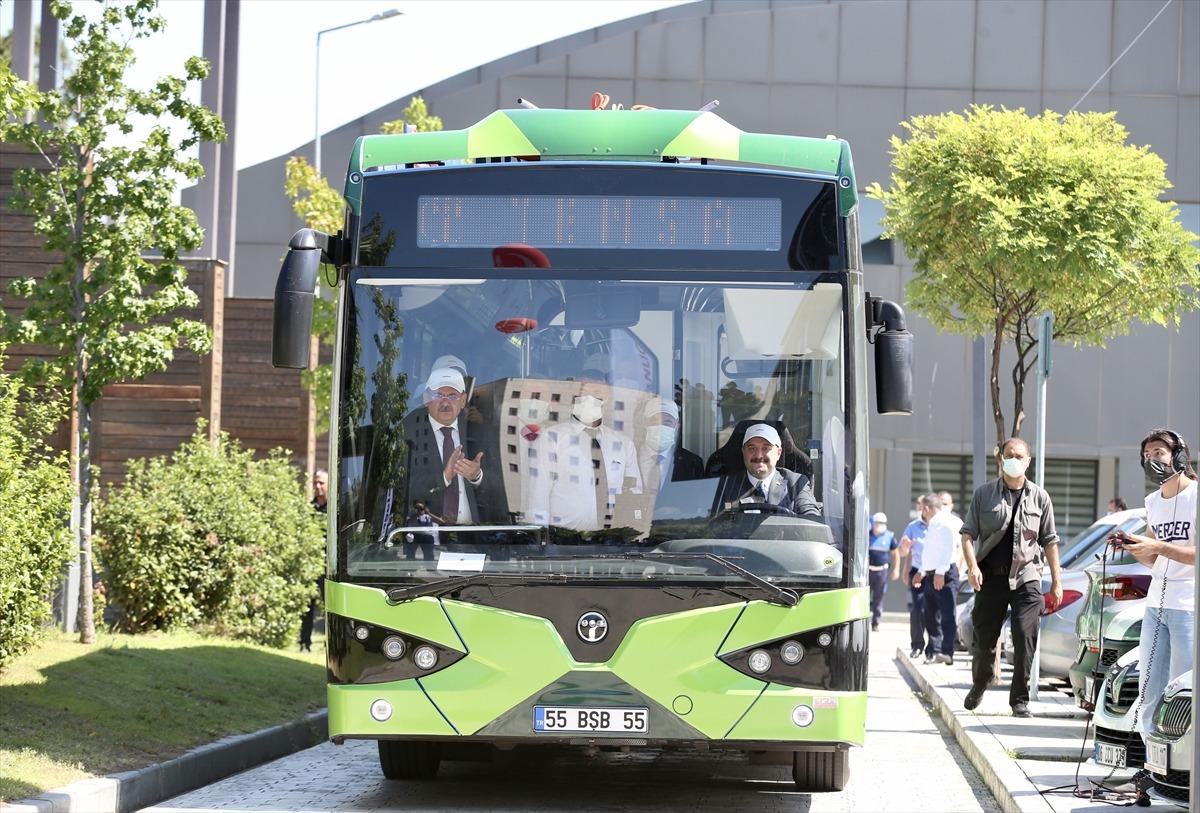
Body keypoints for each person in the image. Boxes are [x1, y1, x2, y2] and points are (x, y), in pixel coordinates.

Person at [1109, 429, 1196, 801]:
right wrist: (1132, 546)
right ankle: (1152, 770)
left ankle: (1186, 774)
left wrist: (1158, 545)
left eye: (1159, 451)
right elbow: (1153, 556)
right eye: (1146, 454)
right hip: (1156, 605)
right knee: (1150, 691)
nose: (1152, 459)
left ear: (1179, 456)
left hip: (1188, 606)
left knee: (1182, 694)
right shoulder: (1153, 501)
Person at [960, 437, 1062, 717]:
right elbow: (968, 535)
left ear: (1028, 461)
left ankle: (1019, 699)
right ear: (1000, 458)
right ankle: (980, 683)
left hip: (1027, 577)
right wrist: (972, 567)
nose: (1014, 459)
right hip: (990, 578)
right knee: (984, 640)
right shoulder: (984, 495)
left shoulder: (1041, 497)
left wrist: (1056, 581)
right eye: (1009, 455)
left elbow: (1050, 540)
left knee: (1025, 637)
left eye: (1019, 455)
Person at [526, 374, 644, 533]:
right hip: (563, 542)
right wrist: (541, 541)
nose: (589, 399)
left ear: (607, 399)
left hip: (613, 542)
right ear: (573, 397)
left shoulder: (623, 444)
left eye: (597, 393)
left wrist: (633, 534)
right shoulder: (551, 438)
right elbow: (538, 495)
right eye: (583, 392)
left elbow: (634, 494)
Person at [713, 423, 822, 520]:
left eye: (766, 448)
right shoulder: (724, 486)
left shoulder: (797, 482)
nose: (758, 455)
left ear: (778, 453)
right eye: (752, 448)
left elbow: (812, 520)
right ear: (743, 452)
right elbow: (711, 526)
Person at [914, 493, 965, 665]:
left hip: (944, 575)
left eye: (922, 509)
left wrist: (940, 572)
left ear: (927, 508)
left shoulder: (944, 522)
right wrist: (921, 571)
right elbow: (931, 552)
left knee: (947, 615)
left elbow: (949, 548)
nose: (922, 513)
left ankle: (947, 651)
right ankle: (934, 650)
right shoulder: (933, 523)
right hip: (930, 574)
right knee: (930, 615)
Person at [900, 498, 939, 659]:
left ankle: (933, 648)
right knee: (917, 609)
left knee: (934, 610)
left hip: (936, 573)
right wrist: (905, 546)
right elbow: (902, 552)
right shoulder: (912, 527)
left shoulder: (939, 526)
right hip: (917, 573)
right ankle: (917, 645)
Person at [638, 399, 704, 492]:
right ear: (644, 423)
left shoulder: (692, 463)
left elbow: (697, 498)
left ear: (677, 426)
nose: (660, 427)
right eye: (654, 421)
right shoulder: (629, 455)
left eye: (667, 422)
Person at [299, 469, 328, 652]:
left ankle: (330, 645)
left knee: (331, 608)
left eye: (321, 483)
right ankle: (304, 643)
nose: (318, 486)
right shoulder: (310, 508)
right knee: (307, 606)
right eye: (315, 483)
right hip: (311, 564)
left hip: (329, 566)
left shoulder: (334, 511)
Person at [867, 512, 899, 631]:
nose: (880, 525)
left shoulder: (889, 536)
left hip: (882, 571)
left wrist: (896, 570)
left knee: (878, 598)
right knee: (865, 597)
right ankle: (863, 622)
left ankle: (875, 623)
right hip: (868, 571)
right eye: (878, 523)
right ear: (873, 523)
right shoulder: (867, 535)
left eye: (882, 523)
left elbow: (895, 554)